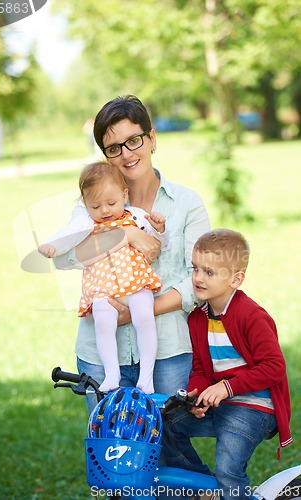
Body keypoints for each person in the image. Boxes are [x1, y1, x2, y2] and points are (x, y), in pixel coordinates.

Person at [52, 94, 211, 414]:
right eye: (114, 148)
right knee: (110, 448)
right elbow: (63, 258)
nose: (126, 154)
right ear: (104, 156)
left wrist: (141, 310)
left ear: (152, 139)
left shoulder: (185, 203)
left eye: (134, 140)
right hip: (99, 355)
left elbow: (199, 283)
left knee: (165, 444)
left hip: (167, 351)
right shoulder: (93, 203)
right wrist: (124, 234)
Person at [162, 228, 293, 499]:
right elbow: (200, 369)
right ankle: (204, 487)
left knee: (229, 469)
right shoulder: (198, 318)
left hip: (254, 408)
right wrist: (197, 396)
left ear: (236, 279)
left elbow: (274, 366)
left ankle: (226, 488)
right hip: (222, 404)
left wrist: (226, 388)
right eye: (195, 268)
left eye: (209, 272)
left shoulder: (251, 316)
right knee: (166, 424)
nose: (198, 277)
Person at [39, 161, 167, 394]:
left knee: (144, 319)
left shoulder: (136, 216)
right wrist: (53, 246)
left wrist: (159, 229)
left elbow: (157, 245)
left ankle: (147, 377)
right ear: (85, 203)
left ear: (124, 194)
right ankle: (111, 374)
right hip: (102, 287)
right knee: (103, 323)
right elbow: (68, 236)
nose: (105, 211)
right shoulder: (87, 222)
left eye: (111, 203)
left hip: (136, 282)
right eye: (96, 206)